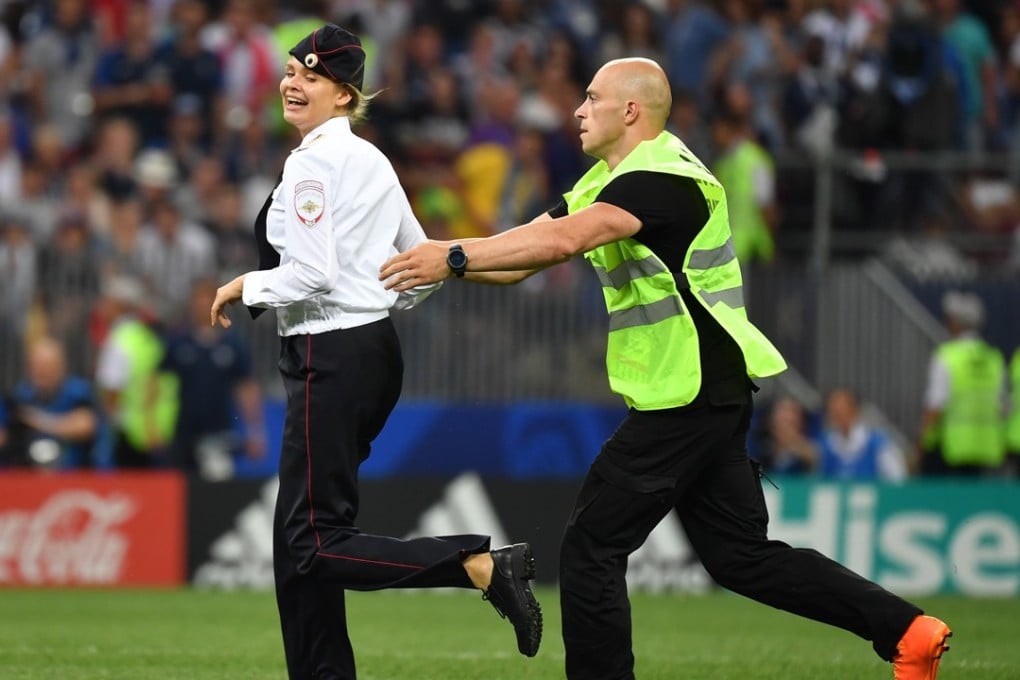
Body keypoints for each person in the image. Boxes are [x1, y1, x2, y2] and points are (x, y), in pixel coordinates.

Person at [381, 57, 951, 680]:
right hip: (708, 392)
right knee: (741, 558)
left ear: (631, 111)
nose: (577, 109)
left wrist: (455, 256)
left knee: (591, 547)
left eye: (592, 98)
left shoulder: (664, 178)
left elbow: (568, 241)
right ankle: (908, 631)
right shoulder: (610, 180)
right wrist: (437, 263)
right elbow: (523, 259)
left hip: (686, 393)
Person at [208, 24, 542, 679]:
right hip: (372, 356)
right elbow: (418, 268)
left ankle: (475, 564)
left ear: (343, 95)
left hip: (326, 356)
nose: (293, 83)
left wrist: (244, 285)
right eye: (290, 72)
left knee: (312, 544)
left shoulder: (311, 162)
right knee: (297, 542)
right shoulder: (372, 160)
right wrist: (373, 307)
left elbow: (312, 275)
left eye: (311, 76)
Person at [159, 278, 265, 479]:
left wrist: (255, 432)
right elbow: (158, 383)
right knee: (181, 494)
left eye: (207, 300)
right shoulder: (178, 343)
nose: (202, 306)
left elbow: (246, 388)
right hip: (183, 434)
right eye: (197, 300)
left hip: (219, 435)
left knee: (216, 489)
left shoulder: (232, 345)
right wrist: (153, 425)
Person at [918, 290, 1006, 476]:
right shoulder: (993, 359)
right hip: (984, 447)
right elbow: (1002, 407)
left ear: (955, 323)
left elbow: (935, 406)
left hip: (949, 448)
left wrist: (921, 443)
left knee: (943, 501)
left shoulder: (947, 356)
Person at [2, 336, 99, 470]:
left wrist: (38, 421)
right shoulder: (19, 397)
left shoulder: (77, 392)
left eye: (48, 366)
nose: (43, 372)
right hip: (26, 475)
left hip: (73, 475)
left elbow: (85, 425)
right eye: (38, 366)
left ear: (62, 366)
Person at [817, 388, 908, 482]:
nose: (838, 417)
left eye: (842, 411)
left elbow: (897, 479)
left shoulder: (878, 444)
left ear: (854, 410)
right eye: (834, 412)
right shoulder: (826, 445)